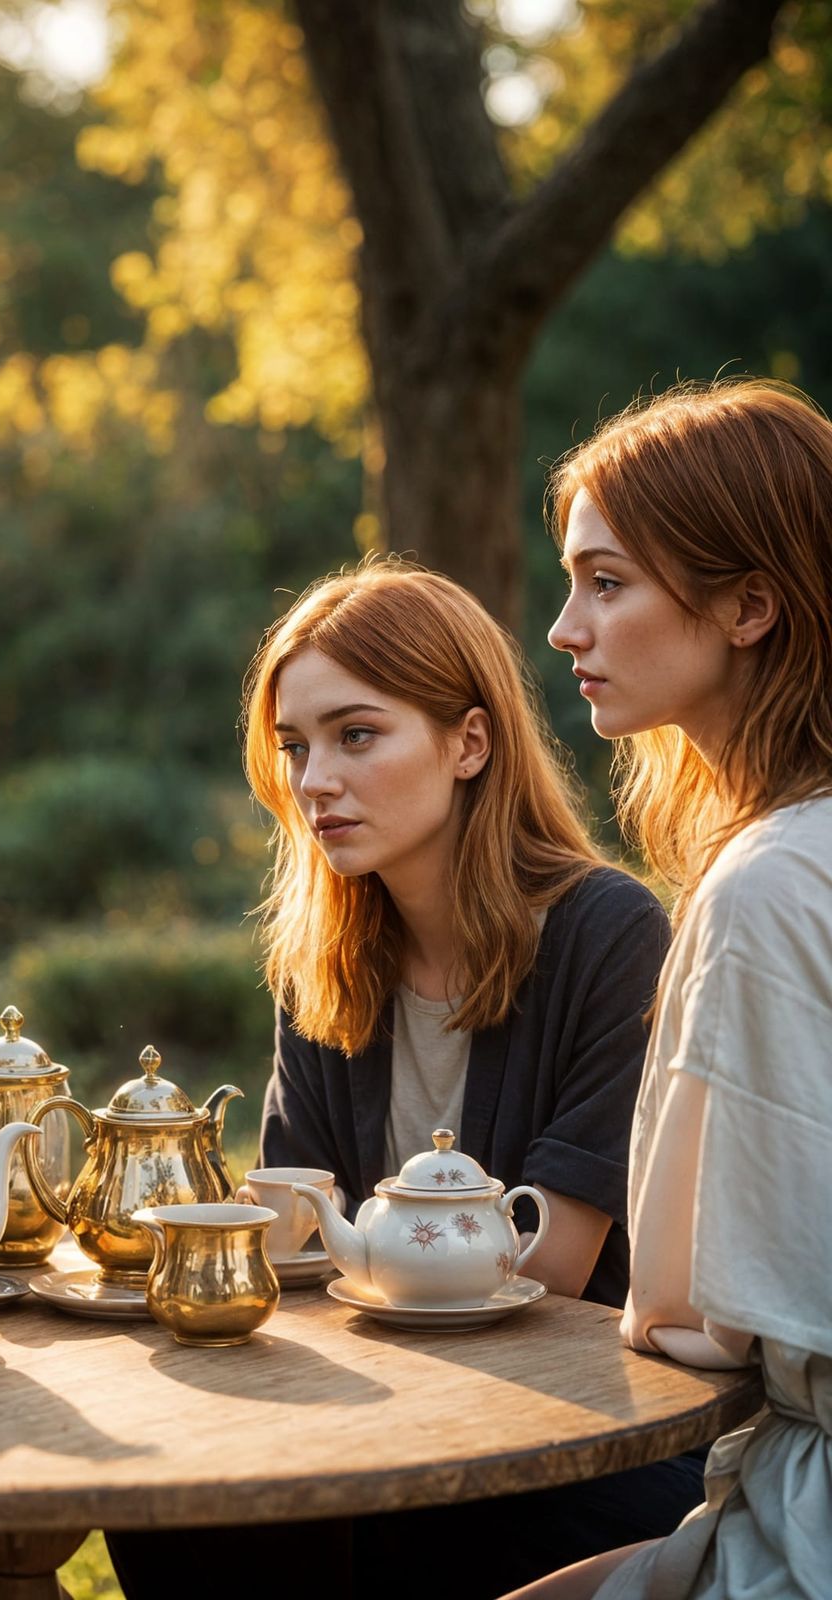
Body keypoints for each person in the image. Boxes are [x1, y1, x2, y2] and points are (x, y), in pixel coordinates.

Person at [107, 560, 690, 1596]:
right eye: (293, 747)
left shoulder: (609, 933)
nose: (313, 779)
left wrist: (316, 1253)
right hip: (382, 1411)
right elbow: (291, 1226)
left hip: (576, 1434)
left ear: (468, 742)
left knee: (360, 1535)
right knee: (165, 1501)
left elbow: (545, 1265)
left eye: (356, 734)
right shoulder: (322, 960)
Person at [507, 381, 832, 1600]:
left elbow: (698, 1313)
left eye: (606, 582)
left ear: (748, 604)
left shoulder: (769, 887)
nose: (562, 628)